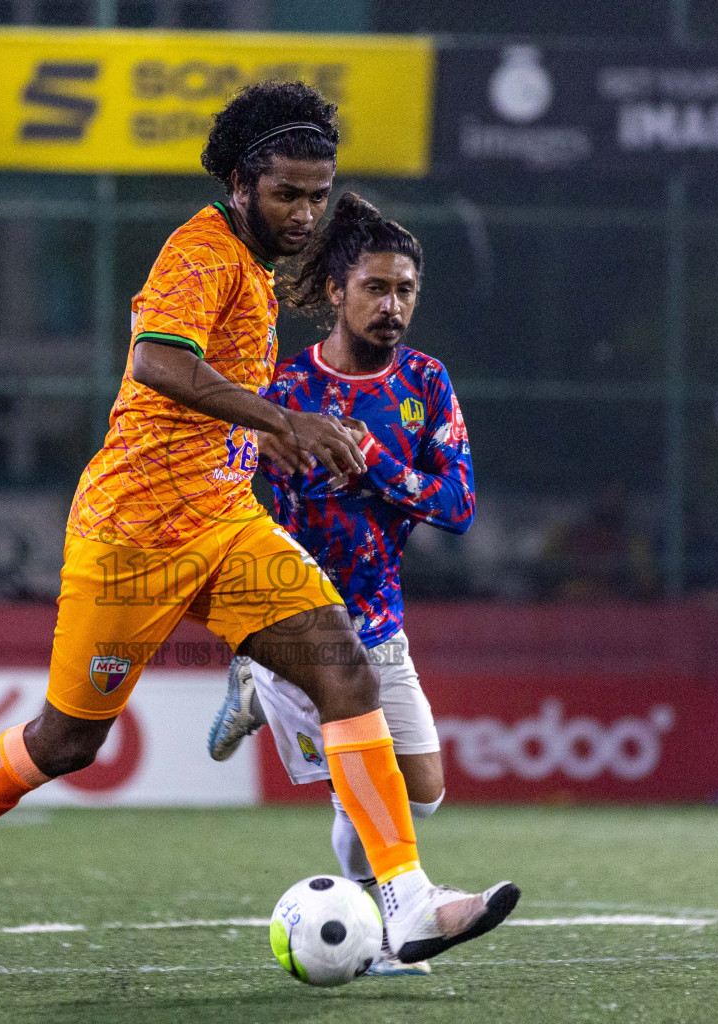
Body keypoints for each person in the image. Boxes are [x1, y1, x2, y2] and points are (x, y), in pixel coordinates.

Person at [0, 82, 518, 967]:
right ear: (241, 184)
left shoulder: (257, 266)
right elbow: (155, 362)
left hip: (224, 528)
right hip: (130, 539)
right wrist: (279, 420)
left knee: (345, 668)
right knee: (69, 740)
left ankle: (407, 902)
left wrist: (263, 448)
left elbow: (214, 409)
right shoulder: (202, 251)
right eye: (287, 193)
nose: (303, 212)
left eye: (317, 193)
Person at [204, 193, 474, 975]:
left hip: (381, 622)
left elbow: (457, 505)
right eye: (376, 289)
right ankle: (390, 928)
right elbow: (251, 509)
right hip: (303, 620)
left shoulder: (426, 383)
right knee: (362, 779)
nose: (392, 306)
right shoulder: (284, 389)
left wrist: (375, 462)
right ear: (335, 291)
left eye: (405, 291)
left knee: (422, 789)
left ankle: (251, 693)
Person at [539, 479, 658, 602]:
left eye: (617, 497)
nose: (612, 501)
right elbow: (548, 565)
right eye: (608, 496)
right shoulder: (573, 531)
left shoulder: (632, 537)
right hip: (575, 592)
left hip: (616, 598)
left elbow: (645, 578)